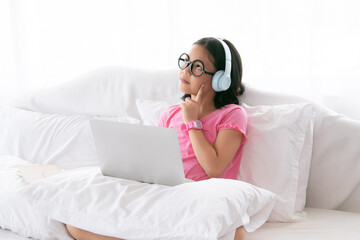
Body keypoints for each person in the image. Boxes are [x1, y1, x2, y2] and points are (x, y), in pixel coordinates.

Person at [66, 37, 247, 240]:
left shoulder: (232, 114)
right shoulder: (170, 114)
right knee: (75, 225)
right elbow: (154, 165)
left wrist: (192, 123)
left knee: (236, 232)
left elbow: (214, 168)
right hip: (165, 194)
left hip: (200, 198)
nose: (185, 70)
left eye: (197, 67)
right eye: (186, 62)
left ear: (221, 80)